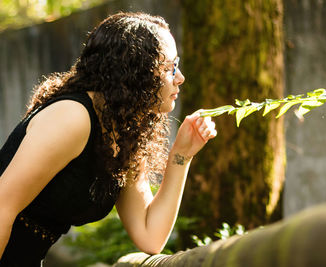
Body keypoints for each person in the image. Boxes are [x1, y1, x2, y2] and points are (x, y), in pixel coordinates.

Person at [0, 11, 216, 266]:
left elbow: (150, 235)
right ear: (136, 70)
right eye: (170, 67)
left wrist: (182, 156)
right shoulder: (73, 117)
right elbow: (3, 205)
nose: (180, 78)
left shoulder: (123, 133)